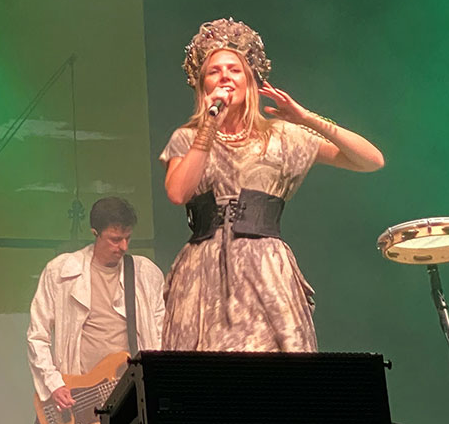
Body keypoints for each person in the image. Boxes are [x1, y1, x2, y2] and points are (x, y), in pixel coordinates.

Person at [161, 18, 384, 351]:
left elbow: (371, 160)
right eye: (214, 71)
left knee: (272, 368)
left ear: (250, 80)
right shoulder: (188, 138)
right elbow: (178, 192)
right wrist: (208, 126)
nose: (225, 77)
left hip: (265, 270)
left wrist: (306, 118)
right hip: (204, 275)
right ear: (203, 86)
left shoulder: (281, 136)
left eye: (234, 70)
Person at [24, 196, 165, 424]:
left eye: (127, 238)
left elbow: (162, 334)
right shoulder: (61, 272)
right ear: (94, 233)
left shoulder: (145, 273)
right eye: (114, 239)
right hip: (82, 404)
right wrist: (54, 384)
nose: (123, 247)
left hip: (130, 399)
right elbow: (37, 336)